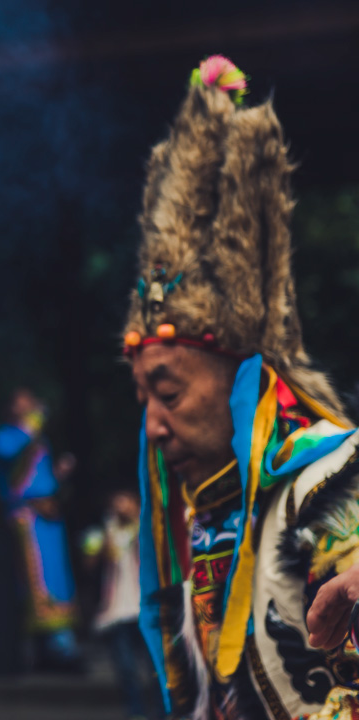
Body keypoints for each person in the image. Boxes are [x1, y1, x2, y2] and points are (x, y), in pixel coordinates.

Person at [123, 55, 359, 718]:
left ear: (241, 383)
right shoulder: (191, 511)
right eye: (141, 398)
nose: (153, 425)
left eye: (168, 394)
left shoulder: (333, 481)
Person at [0, 387, 81, 671]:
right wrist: (33, 428)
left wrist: (59, 475)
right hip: (26, 517)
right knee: (34, 580)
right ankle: (43, 649)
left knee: (57, 578)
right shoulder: (6, 436)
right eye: (21, 400)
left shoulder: (40, 440)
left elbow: (41, 475)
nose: (28, 404)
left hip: (49, 516)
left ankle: (62, 647)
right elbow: (8, 460)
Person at [83, 490, 150, 720]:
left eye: (127, 503)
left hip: (146, 607)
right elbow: (90, 563)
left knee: (157, 666)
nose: (123, 508)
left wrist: (138, 520)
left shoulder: (146, 528)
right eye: (117, 504)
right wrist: (108, 532)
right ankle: (136, 711)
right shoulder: (100, 533)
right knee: (126, 667)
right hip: (116, 611)